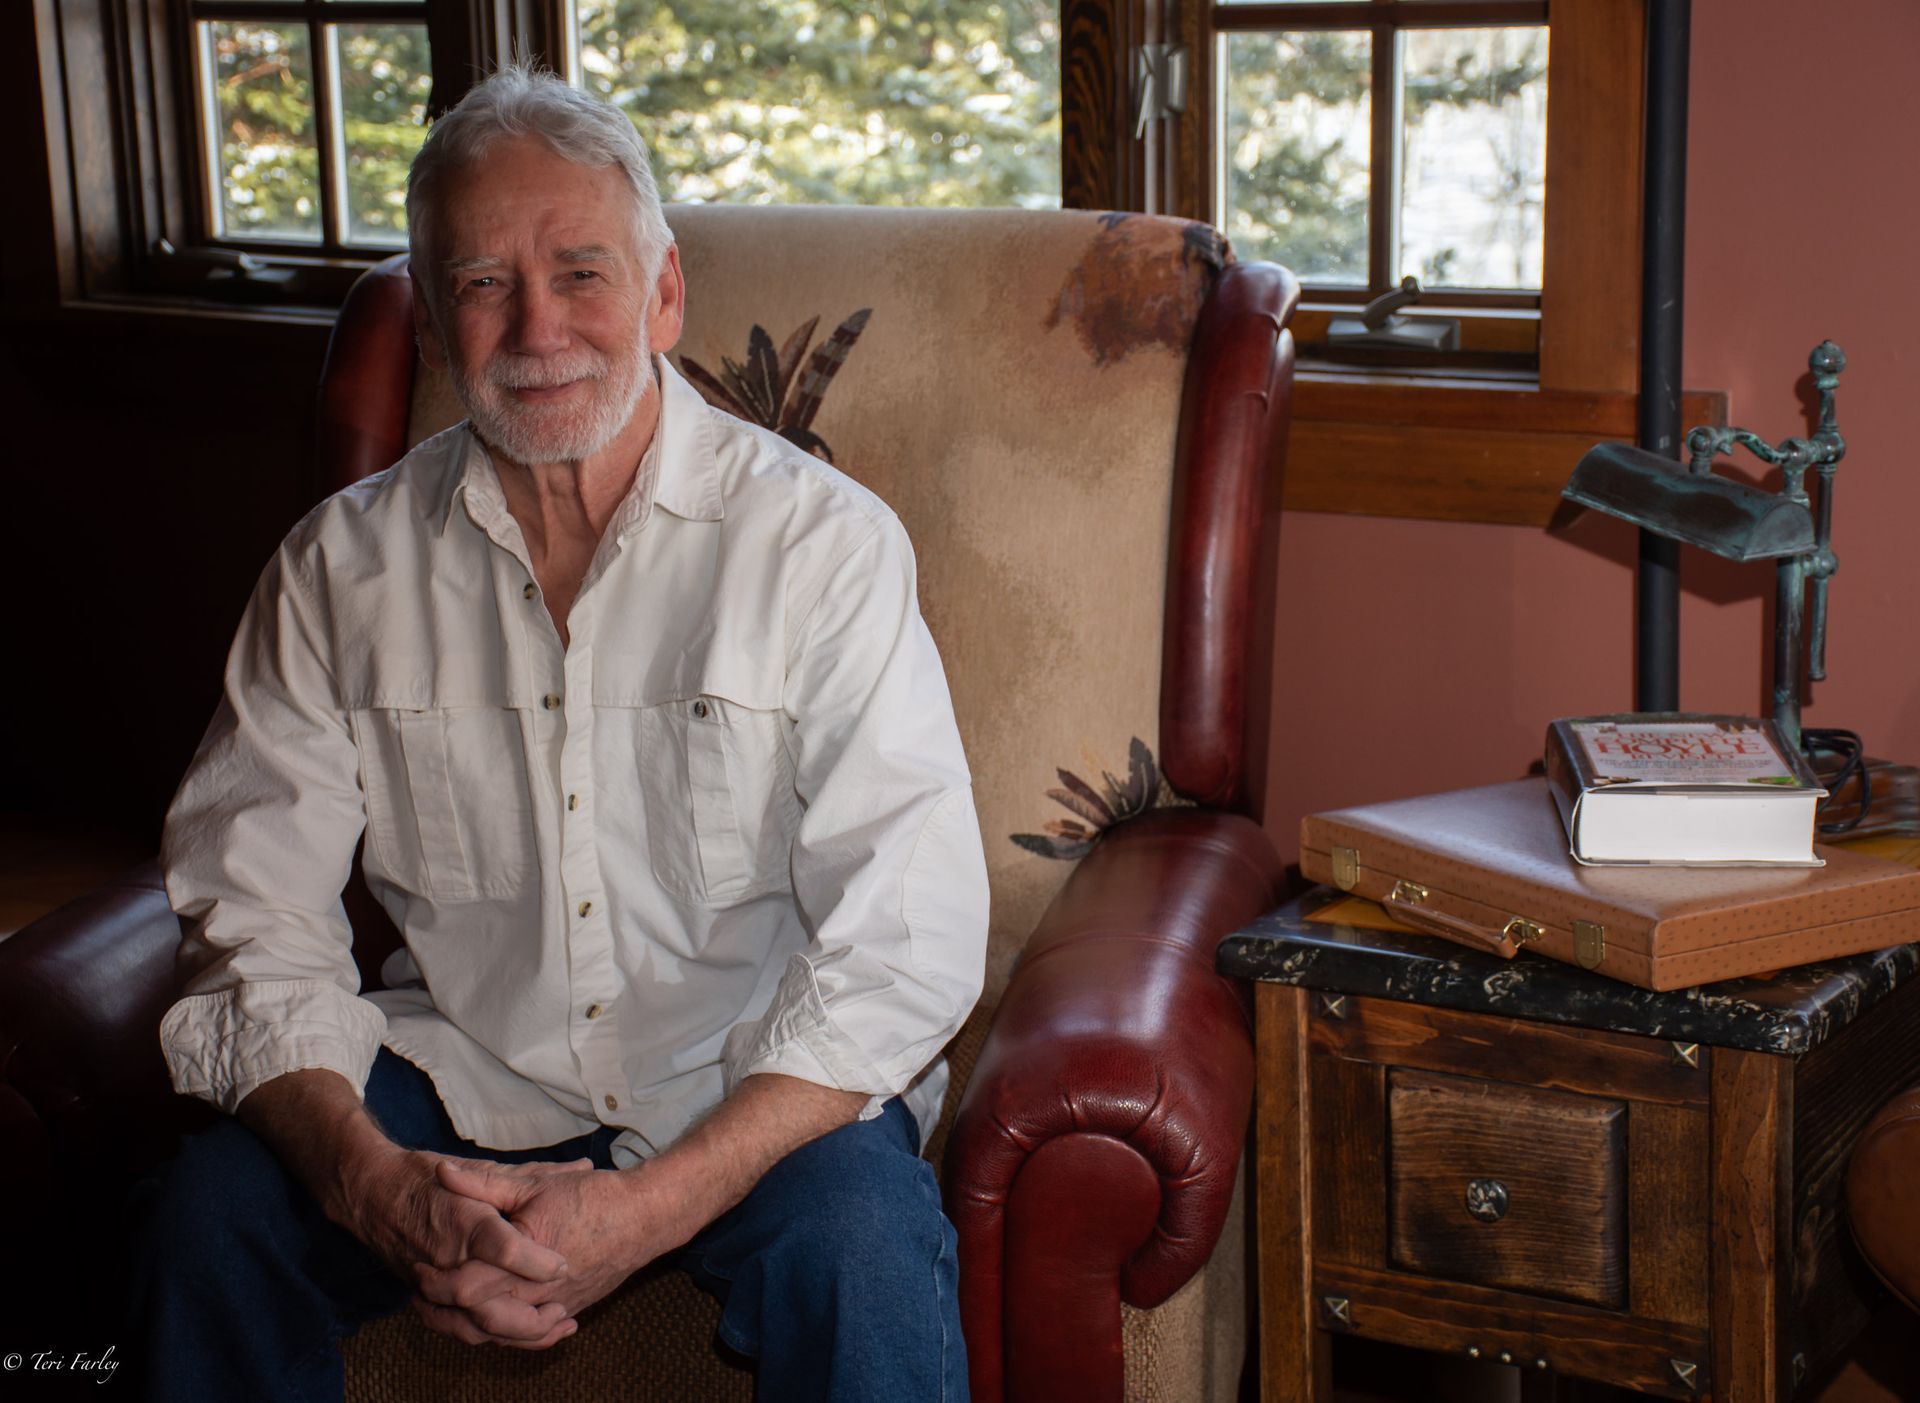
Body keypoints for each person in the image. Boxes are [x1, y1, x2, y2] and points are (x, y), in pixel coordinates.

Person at [131, 61, 987, 1402]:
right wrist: (373, 1188)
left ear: (663, 293)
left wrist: (647, 1213)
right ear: (431, 320)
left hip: (745, 1086)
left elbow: (903, 944)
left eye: (581, 272)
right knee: (211, 1216)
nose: (537, 328)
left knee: (863, 1255)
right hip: (461, 1080)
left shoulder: (821, 550)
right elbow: (253, 917)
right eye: (482, 283)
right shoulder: (336, 570)